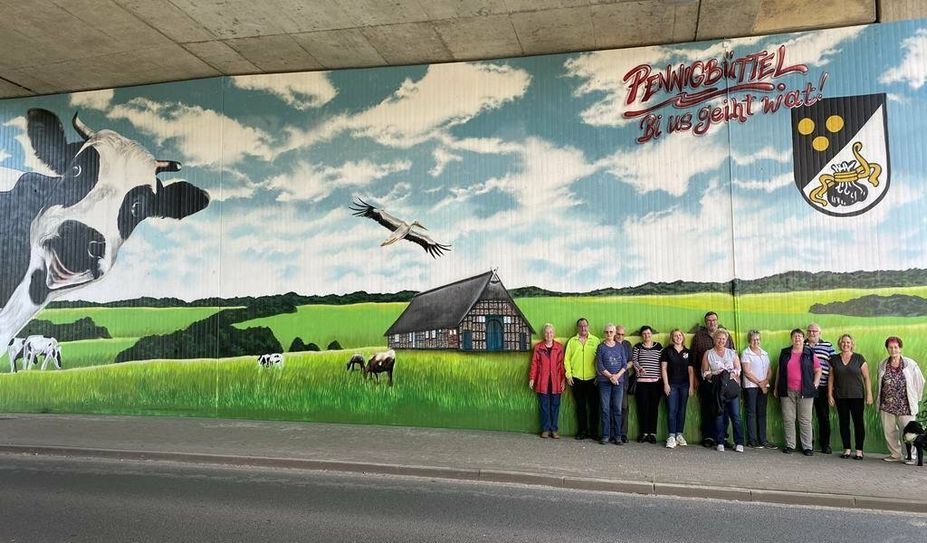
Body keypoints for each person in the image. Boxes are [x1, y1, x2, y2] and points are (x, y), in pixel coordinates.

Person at [877, 336, 925, 463]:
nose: (893, 350)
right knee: (890, 431)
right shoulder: (883, 364)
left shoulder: (910, 364)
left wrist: (916, 398)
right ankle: (895, 454)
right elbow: (880, 384)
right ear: (887, 349)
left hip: (906, 404)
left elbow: (920, 382)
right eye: (890, 347)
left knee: (910, 432)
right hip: (887, 404)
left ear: (900, 348)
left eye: (896, 347)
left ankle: (911, 456)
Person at [774, 329, 821, 456]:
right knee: (788, 419)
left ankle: (807, 447)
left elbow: (818, 370)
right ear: (791, 339)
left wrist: (815, 385)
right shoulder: (784, 353)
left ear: (803, 338)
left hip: (805, 391)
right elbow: (779, 370)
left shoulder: (810, 353)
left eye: (800, 336)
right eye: (795, 336)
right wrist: (776, 387)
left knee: (805, 419)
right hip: (787, 390)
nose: (797, 339)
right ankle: (790, 445)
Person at [691, 311, 734, 448]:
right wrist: (695, 380)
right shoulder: (698, 337)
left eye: (714, 320)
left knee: (724, 409)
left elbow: (733, 357)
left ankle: (722, 437)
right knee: (707, 408)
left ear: (717, 320)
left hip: (724, 382)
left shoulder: (727, 336)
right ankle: (708, 436)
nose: (712, 322)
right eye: (709, 320)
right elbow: (693, 359)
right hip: (706, 380)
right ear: (705, 322)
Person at [827, 334, 872, 460]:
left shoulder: (859, 358)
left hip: (857, 396)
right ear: (839, 344)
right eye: (843, 342)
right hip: (841, 396)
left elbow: (866, 377)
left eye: (848, 342)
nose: (845, 344)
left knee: (858, 423)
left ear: (852, 344)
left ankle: (859, 450)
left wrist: (869, 394)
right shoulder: (834, 359)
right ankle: (846, 449)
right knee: (844, 423)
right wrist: (829, 394)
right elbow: (831, 378)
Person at [701, 328, 744, 452]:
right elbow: (705, 372)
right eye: (719, 338)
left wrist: (729, 375)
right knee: (719, 414)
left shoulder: (732, 353)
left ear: (726, 340)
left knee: (735, 415)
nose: (721, 341)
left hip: (731, 387)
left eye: (723, 339)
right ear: (714, 339)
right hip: (716, 388)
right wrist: (716, 377)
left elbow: (738, 369)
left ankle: (739, 442)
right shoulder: (708, 353)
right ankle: (720, 442)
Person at [564, 318, 600, 440]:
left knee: (594, 407)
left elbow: (600, 360)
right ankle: (582, 431)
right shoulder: (572, 341)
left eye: (585, 326)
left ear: (588, 327)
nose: (583, 328)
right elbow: (566, 359)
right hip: (577, 379)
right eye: (581, 326)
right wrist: (568, 375)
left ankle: (594, 432)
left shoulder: (595, 341)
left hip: (593, 379)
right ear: (577, 328)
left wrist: (599, 376)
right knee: (580, 407)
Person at [529, 323, 565, 439]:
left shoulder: (559, 347)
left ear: (554, 334)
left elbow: (562, 366)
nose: (549, 334)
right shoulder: (538, 348)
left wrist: (563, 380)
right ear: (544, 334)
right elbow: (534, 364)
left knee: (555, 406)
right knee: (544, 406)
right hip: (542, 382)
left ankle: (554, 430)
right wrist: (532, 378)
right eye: (546, 332)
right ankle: (545, 429)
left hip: (556, 382)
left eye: (551, 332)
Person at [660, 328, 694, 448]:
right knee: (672, 410)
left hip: (684, 385)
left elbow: (690, 370)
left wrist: (691, 386)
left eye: (680, 335)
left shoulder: (688, 352)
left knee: (682, 410)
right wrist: (666, 384)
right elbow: (663, 368)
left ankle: (679, 435)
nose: (678, 337)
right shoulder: (667, 351)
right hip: (672, 385)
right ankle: (671, 436)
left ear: (683, 337)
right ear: (672, 338)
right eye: (675, 336)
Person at [595, 323, 628, 445]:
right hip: (604, 382)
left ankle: (617, 436)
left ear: (614, 333)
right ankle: (605, 435)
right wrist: (610, 376)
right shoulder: (601, 347)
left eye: (611, 332)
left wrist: (617, 376)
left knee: (617, 409)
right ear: (604, 333)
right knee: (605, 409)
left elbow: (624, 364)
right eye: (607, 332)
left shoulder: (620, 347)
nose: (609, 334)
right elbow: (600, 365)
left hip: (618, 382)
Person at [741, 330, 774, 449]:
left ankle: (763, 440)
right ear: (749, 340)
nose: (756, 341)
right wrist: (760, 384)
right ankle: (752, 440)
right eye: (754, 339)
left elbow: (769, 370)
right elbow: (747, 372)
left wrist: (765, 382)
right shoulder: (746, 353)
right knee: (751, 413)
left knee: (762, 413)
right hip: (751, 387)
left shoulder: (764, 353)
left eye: (758, 339)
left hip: (764, 386)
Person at [806, 323, 835, 454]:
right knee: (806, 417)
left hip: (822, 387)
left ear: (820, 333)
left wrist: (832, 388)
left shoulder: (827, 346)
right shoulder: (802, 345)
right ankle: (808, 444)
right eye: (810, 331)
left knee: (823, 416)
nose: (812, 333)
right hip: (805, 388)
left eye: (815, 331)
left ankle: (825, 444)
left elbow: (833, 366)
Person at [632, 325, 663, 443]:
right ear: (641, 336)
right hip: (641, 383)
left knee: (653, 408)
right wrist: (639, 368)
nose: (647, 336)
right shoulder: (637, 347)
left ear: (651, 334)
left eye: (649, 333)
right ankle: (644, 433)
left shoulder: (659, 347)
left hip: (656, 383)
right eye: (644, 334)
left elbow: (662, 363)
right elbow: (634, 361)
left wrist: (660, 377)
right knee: (642, 408)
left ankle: (652, 434)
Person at [617, 325, 633, 443]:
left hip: (624, 380)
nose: (620, 336)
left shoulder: (627, 345)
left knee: (623, 407)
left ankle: (623, 433)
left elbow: (631, 362)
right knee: (612, 407)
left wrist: (622, 369)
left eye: (622, 334)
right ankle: (613, 433)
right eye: (618, 334)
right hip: (610, 380)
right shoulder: (608, 344)